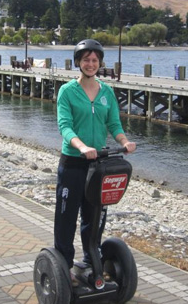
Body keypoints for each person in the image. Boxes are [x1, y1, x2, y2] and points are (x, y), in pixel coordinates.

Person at [54, 39, 136, 281]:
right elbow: (65, 127)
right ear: (78, 62)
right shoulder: (67, 91)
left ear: (99, 63)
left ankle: (92, 261)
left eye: (94, 60)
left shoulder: (106, 92)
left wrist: (124, 142)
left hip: (98, 166)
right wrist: (81, 146)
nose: (90, 64)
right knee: (66, 217)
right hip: (73, 163)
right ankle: (64, 266)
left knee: (95, 215)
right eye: (86, 60)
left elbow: (113, 124)